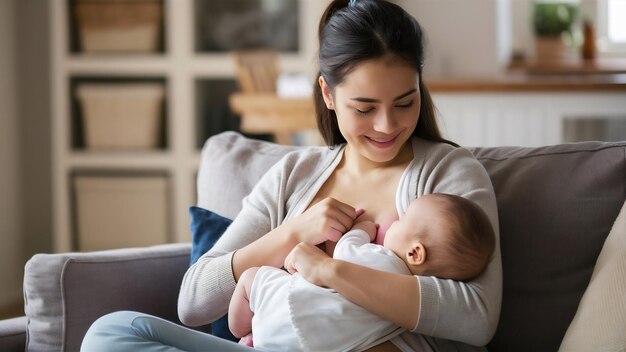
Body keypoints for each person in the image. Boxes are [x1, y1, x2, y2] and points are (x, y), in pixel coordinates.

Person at [81, 0, 502, 351]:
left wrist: (330, 272)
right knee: (113, 332)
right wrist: (291, 235)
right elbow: (193, 302)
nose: (387, 125)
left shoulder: (449, 174)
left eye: (405, 102)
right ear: (328, 94)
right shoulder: (293, 177)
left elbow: (476, 317)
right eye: (364, 107)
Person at [228, 193, 496, 352]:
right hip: (320, 344)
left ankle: (242, 329)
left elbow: (346, 249)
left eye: (402, 221)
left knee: (253, 277)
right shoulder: (403, 307)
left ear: (415, 253)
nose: (394, 223)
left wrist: (363, 229)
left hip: (288, 310)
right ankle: (252, 337)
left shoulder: (384, 262)